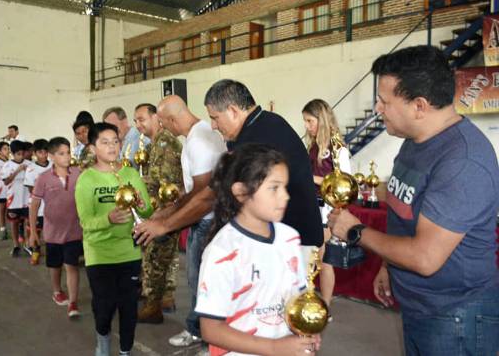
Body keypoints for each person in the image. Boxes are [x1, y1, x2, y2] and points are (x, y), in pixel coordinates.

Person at [328, 45, 499, 356]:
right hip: (418, 306)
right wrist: (387, 265)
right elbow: (402, 215)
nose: (378, 109)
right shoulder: (414, 143)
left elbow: (424, 258)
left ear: (419, 106)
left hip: (456, 315)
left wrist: (355, 232)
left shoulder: (462, 160)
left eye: (384, 101)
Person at [150, 81, 323, 253]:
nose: (213, 126)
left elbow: (211, 196)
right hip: (284, 237)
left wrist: (165, 225)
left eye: (215, 118)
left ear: (232, 111)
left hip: (292, 242)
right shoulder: (264, 124)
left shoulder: (253, 138)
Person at [195, 143, 321, 356]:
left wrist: (305, 333)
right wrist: (273, 348)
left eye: (285, 187)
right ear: (241, 192)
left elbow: (296, 298)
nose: (285, 196)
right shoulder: (222, 251)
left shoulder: (289, 237)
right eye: (274, 188)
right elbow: (210, 329)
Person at [134, 95, 226, 351]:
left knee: (200, 281)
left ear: (173, 119)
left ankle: (209, 337)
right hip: (207, 218)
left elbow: (202, 193)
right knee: (198, 279)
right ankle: (200, 329)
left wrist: (168, 219)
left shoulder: (198, 141)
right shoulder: (201, 134)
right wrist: (168, 212)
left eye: (163, 122)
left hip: (206, 220)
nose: (163, 128)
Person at [75, 122, 153, 356]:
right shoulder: (87, 179)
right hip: (99, 254)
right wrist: (108, 218)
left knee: (129, 308)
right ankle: (103, 340)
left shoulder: (130, 173)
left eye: (115, 141)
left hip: (128, 252)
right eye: (104, 142)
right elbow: (85, 222)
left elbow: (147, 212)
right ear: (92, 148)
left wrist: (142, 205)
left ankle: (125, 351)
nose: (112, 146)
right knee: (104, 307)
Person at [133, 103, 183, 323]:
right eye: (135, 120)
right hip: (163, 209)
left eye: (142, 119)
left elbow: (166, 184)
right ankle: (164, 299)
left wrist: (159, 216)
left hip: (165, 210)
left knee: (153, 257)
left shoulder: (165, 142)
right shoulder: (156, 143)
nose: (138, 124)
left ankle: (153, 306)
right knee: (165, 256)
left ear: (156, 118)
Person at [302, 99, 351, 315]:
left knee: (324, 258)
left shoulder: (337, 147)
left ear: (321, 120)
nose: (307, 126)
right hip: (310, 205)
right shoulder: (312, 145)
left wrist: (309, 177)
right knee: (307, 257)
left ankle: (326, 306)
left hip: (326, 209)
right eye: (305, 121)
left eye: (310, 121)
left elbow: (344, 183)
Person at [29, 137, 82, 318]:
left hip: (75, 231)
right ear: (51, 156)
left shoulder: (78, 174)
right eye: (61, 153)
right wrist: (33, 231)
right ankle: (57, 290)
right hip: (52, 232)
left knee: (72, 265)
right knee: (55, 265)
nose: (67, 157)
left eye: (68, 152)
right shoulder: (43, 179)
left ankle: (73, 302)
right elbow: (34, 205)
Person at [24, 139, 52, 264]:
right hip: (38, 206)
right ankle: (35, 251)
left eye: (46, 152)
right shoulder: (31, 168)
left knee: (51, 230)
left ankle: (52, 251)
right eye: (40, 152)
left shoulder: (53, 165)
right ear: (35, 153)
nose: (44, 155)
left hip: (52, 205)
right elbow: (31, 188)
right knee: (36, 229)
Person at [2, 140, 30, 257]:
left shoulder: (29, 163)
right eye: (18, 154)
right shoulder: (7, 165)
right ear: (12, 154)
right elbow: (6, 181)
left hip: (27, 199)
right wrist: (17, 171)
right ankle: (15, 245)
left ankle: (28, 245)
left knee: (29, 222)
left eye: (22, 153)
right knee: (14, 223)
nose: (21, 156)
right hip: (13, 199)